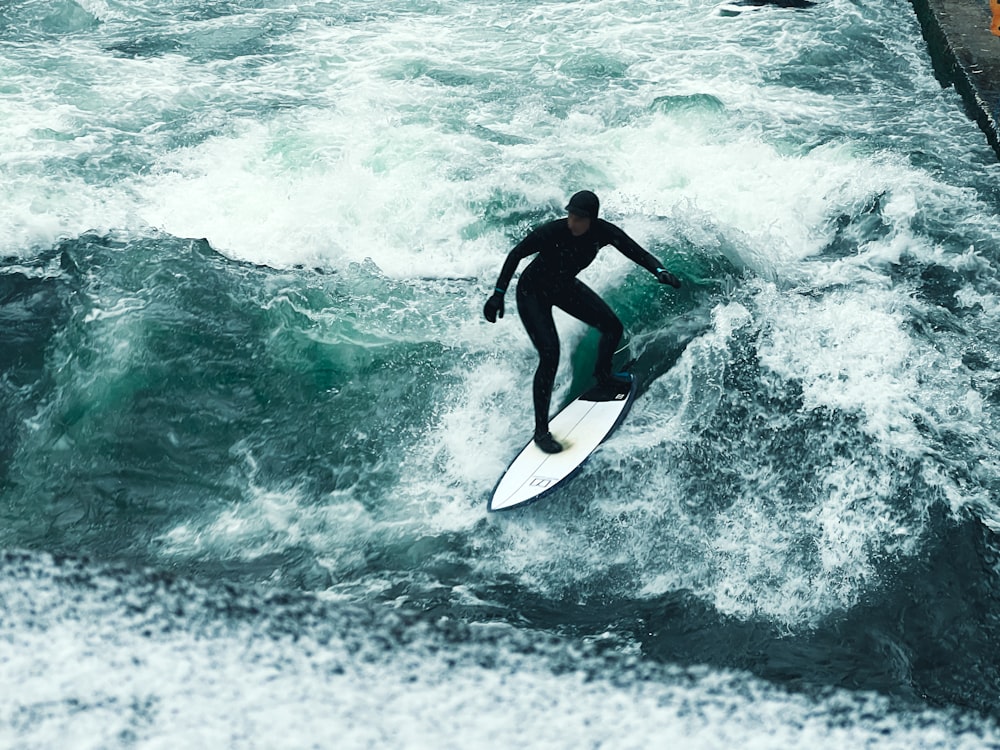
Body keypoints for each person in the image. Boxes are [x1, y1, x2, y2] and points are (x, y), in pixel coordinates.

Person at [483, 190, 681, 454]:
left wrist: (659, 270)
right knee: (550, 353)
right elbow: (516, 254)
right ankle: (541, 431)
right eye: (571, 215)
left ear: (592, 219)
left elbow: (636, 252)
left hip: (563, 287)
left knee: (612, 326)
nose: (572, 222)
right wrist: (498, 295)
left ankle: (603, 377)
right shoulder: (552, 232)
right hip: (533, 293)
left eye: (579, 218)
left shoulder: (603, 232)